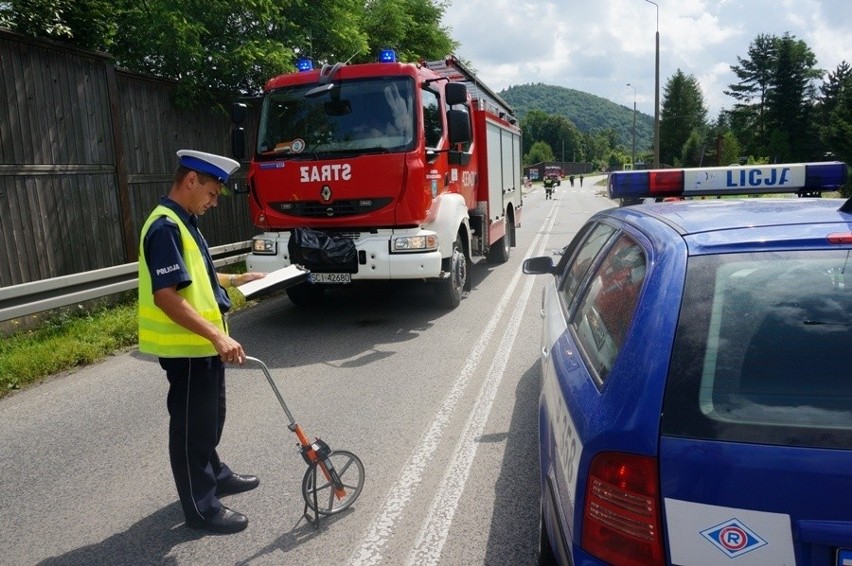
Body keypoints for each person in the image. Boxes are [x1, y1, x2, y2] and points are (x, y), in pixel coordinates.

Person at [137, 150, 266, 534]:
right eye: (211, 193)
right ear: (191, 180)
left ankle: (216, 474)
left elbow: (197, 276)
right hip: (188, 348)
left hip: (204, 346)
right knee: (192, 428)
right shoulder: (165, 227)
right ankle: (201, 508)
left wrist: (235, 281)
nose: (213, 202)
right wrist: (215, 334)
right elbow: (166, 295)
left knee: (210, 419)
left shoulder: (184, 221)